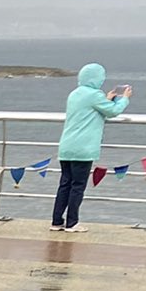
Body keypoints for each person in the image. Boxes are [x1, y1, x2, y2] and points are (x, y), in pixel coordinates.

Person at [52, 62, 131, 233]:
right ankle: (72, 223)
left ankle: (57, 221)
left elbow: (92, 110)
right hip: (83, 148)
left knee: (64, 184)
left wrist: (106, 99)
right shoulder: (95, 95)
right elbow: (113, 112)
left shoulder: (74, 94)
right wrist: (124, 98)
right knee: (78, 186)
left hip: (66, 146)